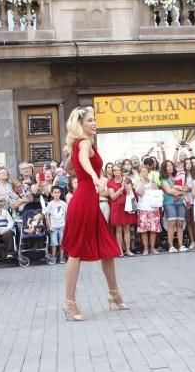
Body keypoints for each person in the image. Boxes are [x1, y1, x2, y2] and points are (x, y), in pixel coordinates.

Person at [60, 106, 128, 321]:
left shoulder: (79, 144)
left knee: (107, 249)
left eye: (94, 120)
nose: (94, 123)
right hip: (83, 202)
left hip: (89, 201)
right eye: (90, 120)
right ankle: (69, 302)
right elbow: (81, 161)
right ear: (81, 125)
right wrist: (94, 176)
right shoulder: (84, 143)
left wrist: (88, 175)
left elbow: (70, 166)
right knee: (76, 251)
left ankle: (114, 293)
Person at [107, 164, 136, 257]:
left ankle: (127, 249)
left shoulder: (127, 180)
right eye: (114, 170)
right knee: (118, 229)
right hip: (116, 207)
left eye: (118, 170)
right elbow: (112, 196)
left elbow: (128, 193)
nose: (116, 172)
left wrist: (125, 184)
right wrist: (120, 189)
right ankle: (120, 251)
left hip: (126, 207)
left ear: (121, 171)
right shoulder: (110, 182)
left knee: (127, 229)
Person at [134, 165, 161, 256]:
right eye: (142, 171)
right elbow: (140, 193)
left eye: (145, 171)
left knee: (153, 229)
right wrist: (142, 181)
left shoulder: (152, 182)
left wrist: (153, 185)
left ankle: (152, 248)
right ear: (139, 173)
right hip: (143, 208)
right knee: (144, 230)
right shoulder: (138, 183)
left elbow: (156, 193)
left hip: (153, 208)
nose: (144, 173)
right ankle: (145, 248)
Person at [160, 160, 187, 252]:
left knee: (180, 224)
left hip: (180, 203)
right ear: (164, 168)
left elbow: (185, 188)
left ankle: (181, 245)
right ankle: (171, 246)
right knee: (171, 224)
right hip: (169, 203)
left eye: (171, 165)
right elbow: (169, 191)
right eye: (167, 166)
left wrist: (182, 191)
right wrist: (181, 192)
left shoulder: (178, 177)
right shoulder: (163, 179)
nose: (170, 167)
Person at [43, 185, 67, 263]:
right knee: (54, 243)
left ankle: (61, 257)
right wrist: (49, 226)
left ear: (60, 193)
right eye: (55, 192)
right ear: (52, 194)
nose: (57, 194)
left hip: (62, 226)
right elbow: (47, 215)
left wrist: (66, 224)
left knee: (62, 242)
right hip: (53, 226)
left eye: (58, 192)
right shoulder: (50, 204)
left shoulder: (64, 204)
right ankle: (53, 257)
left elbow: (66, 215)